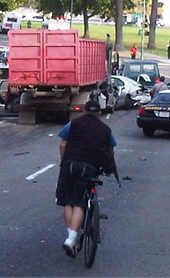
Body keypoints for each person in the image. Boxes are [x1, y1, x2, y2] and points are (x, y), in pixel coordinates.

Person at [56, 100, 118, 259]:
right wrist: (108, 168)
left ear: (83, 111)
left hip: (69, 164)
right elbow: (110, 151)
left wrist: (64, 162)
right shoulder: (105, 129)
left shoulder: (73, 124)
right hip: (88, 167)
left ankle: (72, 237)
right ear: (99, 113)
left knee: (68, 201)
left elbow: (63, 144)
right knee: (79, 203)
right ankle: (71, 239)